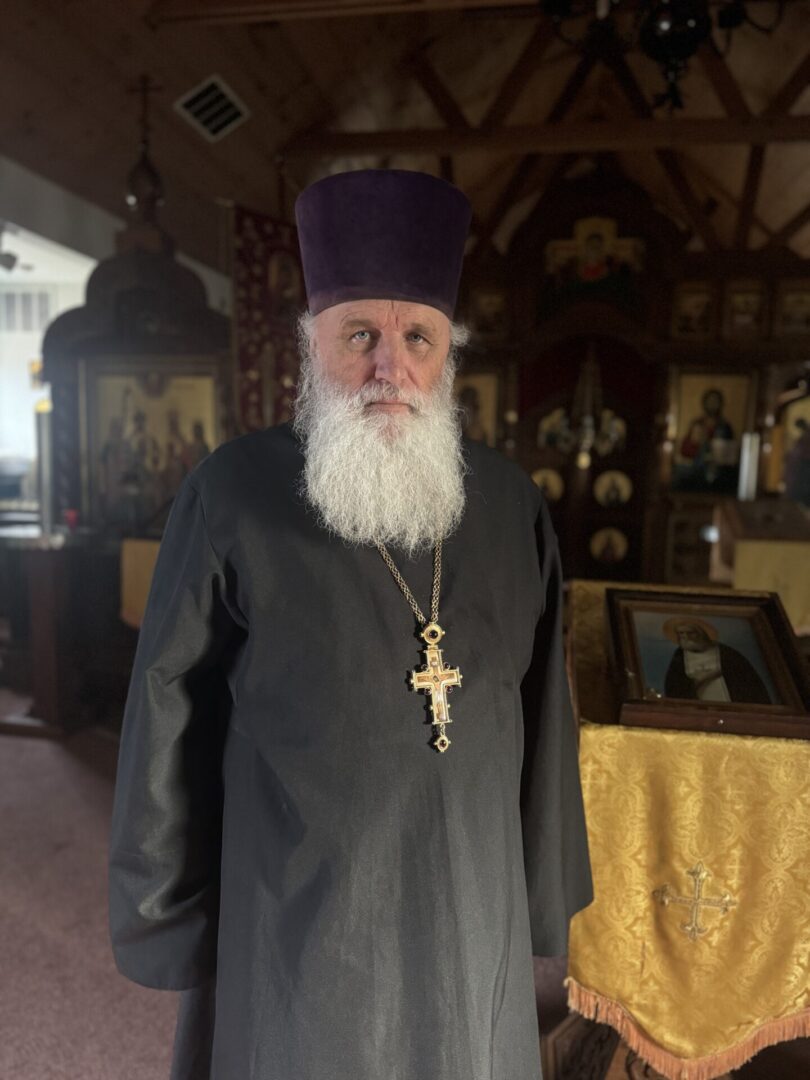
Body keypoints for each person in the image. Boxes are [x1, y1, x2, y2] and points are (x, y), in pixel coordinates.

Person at [108, 169, 592, 1080]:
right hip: (300, 901)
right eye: (359, 334)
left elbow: (542, 716)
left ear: (449, 352)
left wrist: (539, 892)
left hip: (468, 901)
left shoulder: (510, 505)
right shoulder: (234, 491)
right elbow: (165, 707)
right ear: (311, 344)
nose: (390, 366)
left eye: (419, 337)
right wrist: (167, 910)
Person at [663, 617, 771, 704]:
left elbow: (746, 680)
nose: (685, 637)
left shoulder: (726, 653)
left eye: (690, 633)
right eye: (681, 634)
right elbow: (675, 686)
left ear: (702, 634)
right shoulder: (679, 658)